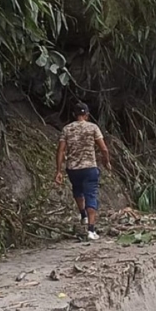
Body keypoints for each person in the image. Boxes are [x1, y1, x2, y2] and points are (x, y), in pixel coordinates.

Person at [55, 102, 111, 240]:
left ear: (75, 114)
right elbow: (104, 148)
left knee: (77, 191)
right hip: (89, 168)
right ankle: (91, 231)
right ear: (86, 114)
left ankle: (83, 216)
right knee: (91, 195)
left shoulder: (67, 129)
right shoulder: (93, 128)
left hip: (73, 169)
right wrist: (106, 161)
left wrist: (58, 171)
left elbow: (61, 150)